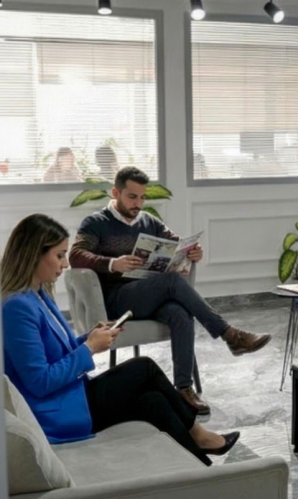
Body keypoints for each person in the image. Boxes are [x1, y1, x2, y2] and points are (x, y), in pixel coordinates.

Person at [1, 214, 239, 466]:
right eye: (59, 256)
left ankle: (201, 466)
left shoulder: (37, 294)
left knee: (154, 402)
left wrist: (89, 336)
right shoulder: (16, 307)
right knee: (144, 367)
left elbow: (55, 352)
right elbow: (39, 382)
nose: (65, 263)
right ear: (34, 254)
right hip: (57, 411)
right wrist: (90, 348)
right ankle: (199, 436)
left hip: (72, 393)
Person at [69, 166, 271, 415]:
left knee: (179, 314)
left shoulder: (148, 221)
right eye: (132, 197)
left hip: (150, 295)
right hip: (117, 301)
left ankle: (184, 389)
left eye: (142, 197)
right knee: (172, 282)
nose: (138, 203)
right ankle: (230, 335)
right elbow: (75, 256)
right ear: (116, 193)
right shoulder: (96, 222)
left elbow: (177, 244)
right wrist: (112, 263)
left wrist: (193, 252)